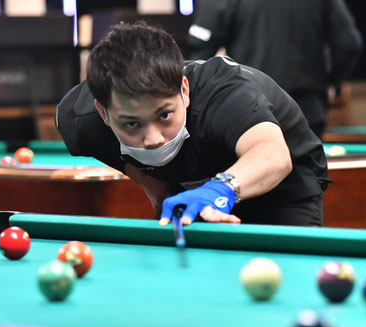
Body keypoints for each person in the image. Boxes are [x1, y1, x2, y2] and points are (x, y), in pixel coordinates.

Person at [56, 22, 329, 227]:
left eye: (164, 115)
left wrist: (219, 189)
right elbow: (109, 149)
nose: (154, 139)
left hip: (282, 189)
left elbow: (273, 156)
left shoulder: (224, 95)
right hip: (194, 190)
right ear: (103, 114)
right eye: (131, 124)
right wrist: (154, 184)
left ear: (184, 91)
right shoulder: (82, 123)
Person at [187, 0, 362, 138]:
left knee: (255, 171)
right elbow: (349, 43)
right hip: (307, 109)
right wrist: (328, 82)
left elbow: (200, 54)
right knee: (309, 174)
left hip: (249, 110)